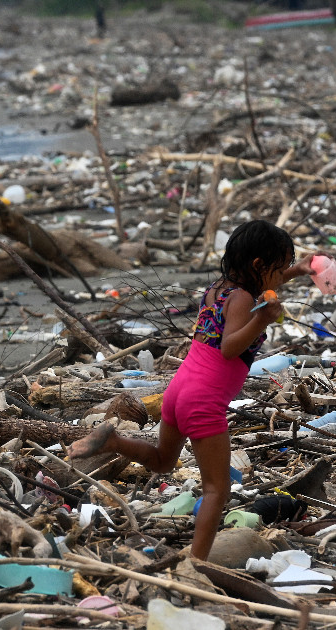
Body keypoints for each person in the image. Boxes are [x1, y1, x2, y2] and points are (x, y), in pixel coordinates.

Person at [68, 220, 319, 560]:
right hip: (203, 400)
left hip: (179, 391)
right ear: (259, 266)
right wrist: (263, 321)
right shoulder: (246, 299)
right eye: (282, 267)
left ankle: (113, 441)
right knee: (217, 488)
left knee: (162, 461)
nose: (282, 275)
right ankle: (196, 564)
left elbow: (258, 288)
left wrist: (298, 271)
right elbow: (230, 347)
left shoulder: (221, 290)